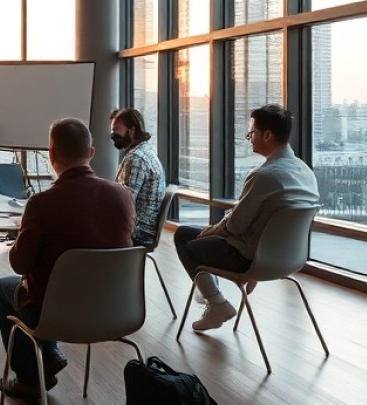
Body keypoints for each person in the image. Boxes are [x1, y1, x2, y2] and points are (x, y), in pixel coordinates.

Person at [0, 118, 134, 400]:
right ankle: (49, 351)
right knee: (54, 286)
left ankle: (30, 380)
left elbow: (20, 264)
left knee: (5, 288)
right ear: (91, 153)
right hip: (116, 308)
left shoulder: (41, 204)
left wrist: (20, 235)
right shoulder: (123, 196)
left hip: (58, 313)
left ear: (51, 154)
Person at [174, 104, 318, 332]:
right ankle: (208, 293)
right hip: (289, 259)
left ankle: (216, 302)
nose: (249, 138)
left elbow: (235, 226)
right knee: (198, 236)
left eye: (252, 133)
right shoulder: (305, 171)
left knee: (183, 236)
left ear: (267, 135)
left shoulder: (264, 176)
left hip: (250, 257)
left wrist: (211, 230)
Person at [110, 108, 166, 246]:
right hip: (145, 229)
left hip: (138, 232)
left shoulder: (136, 158)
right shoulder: (145, 151)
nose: (113, 134)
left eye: (117, 129)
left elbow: (125, 201)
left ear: (132, 130)